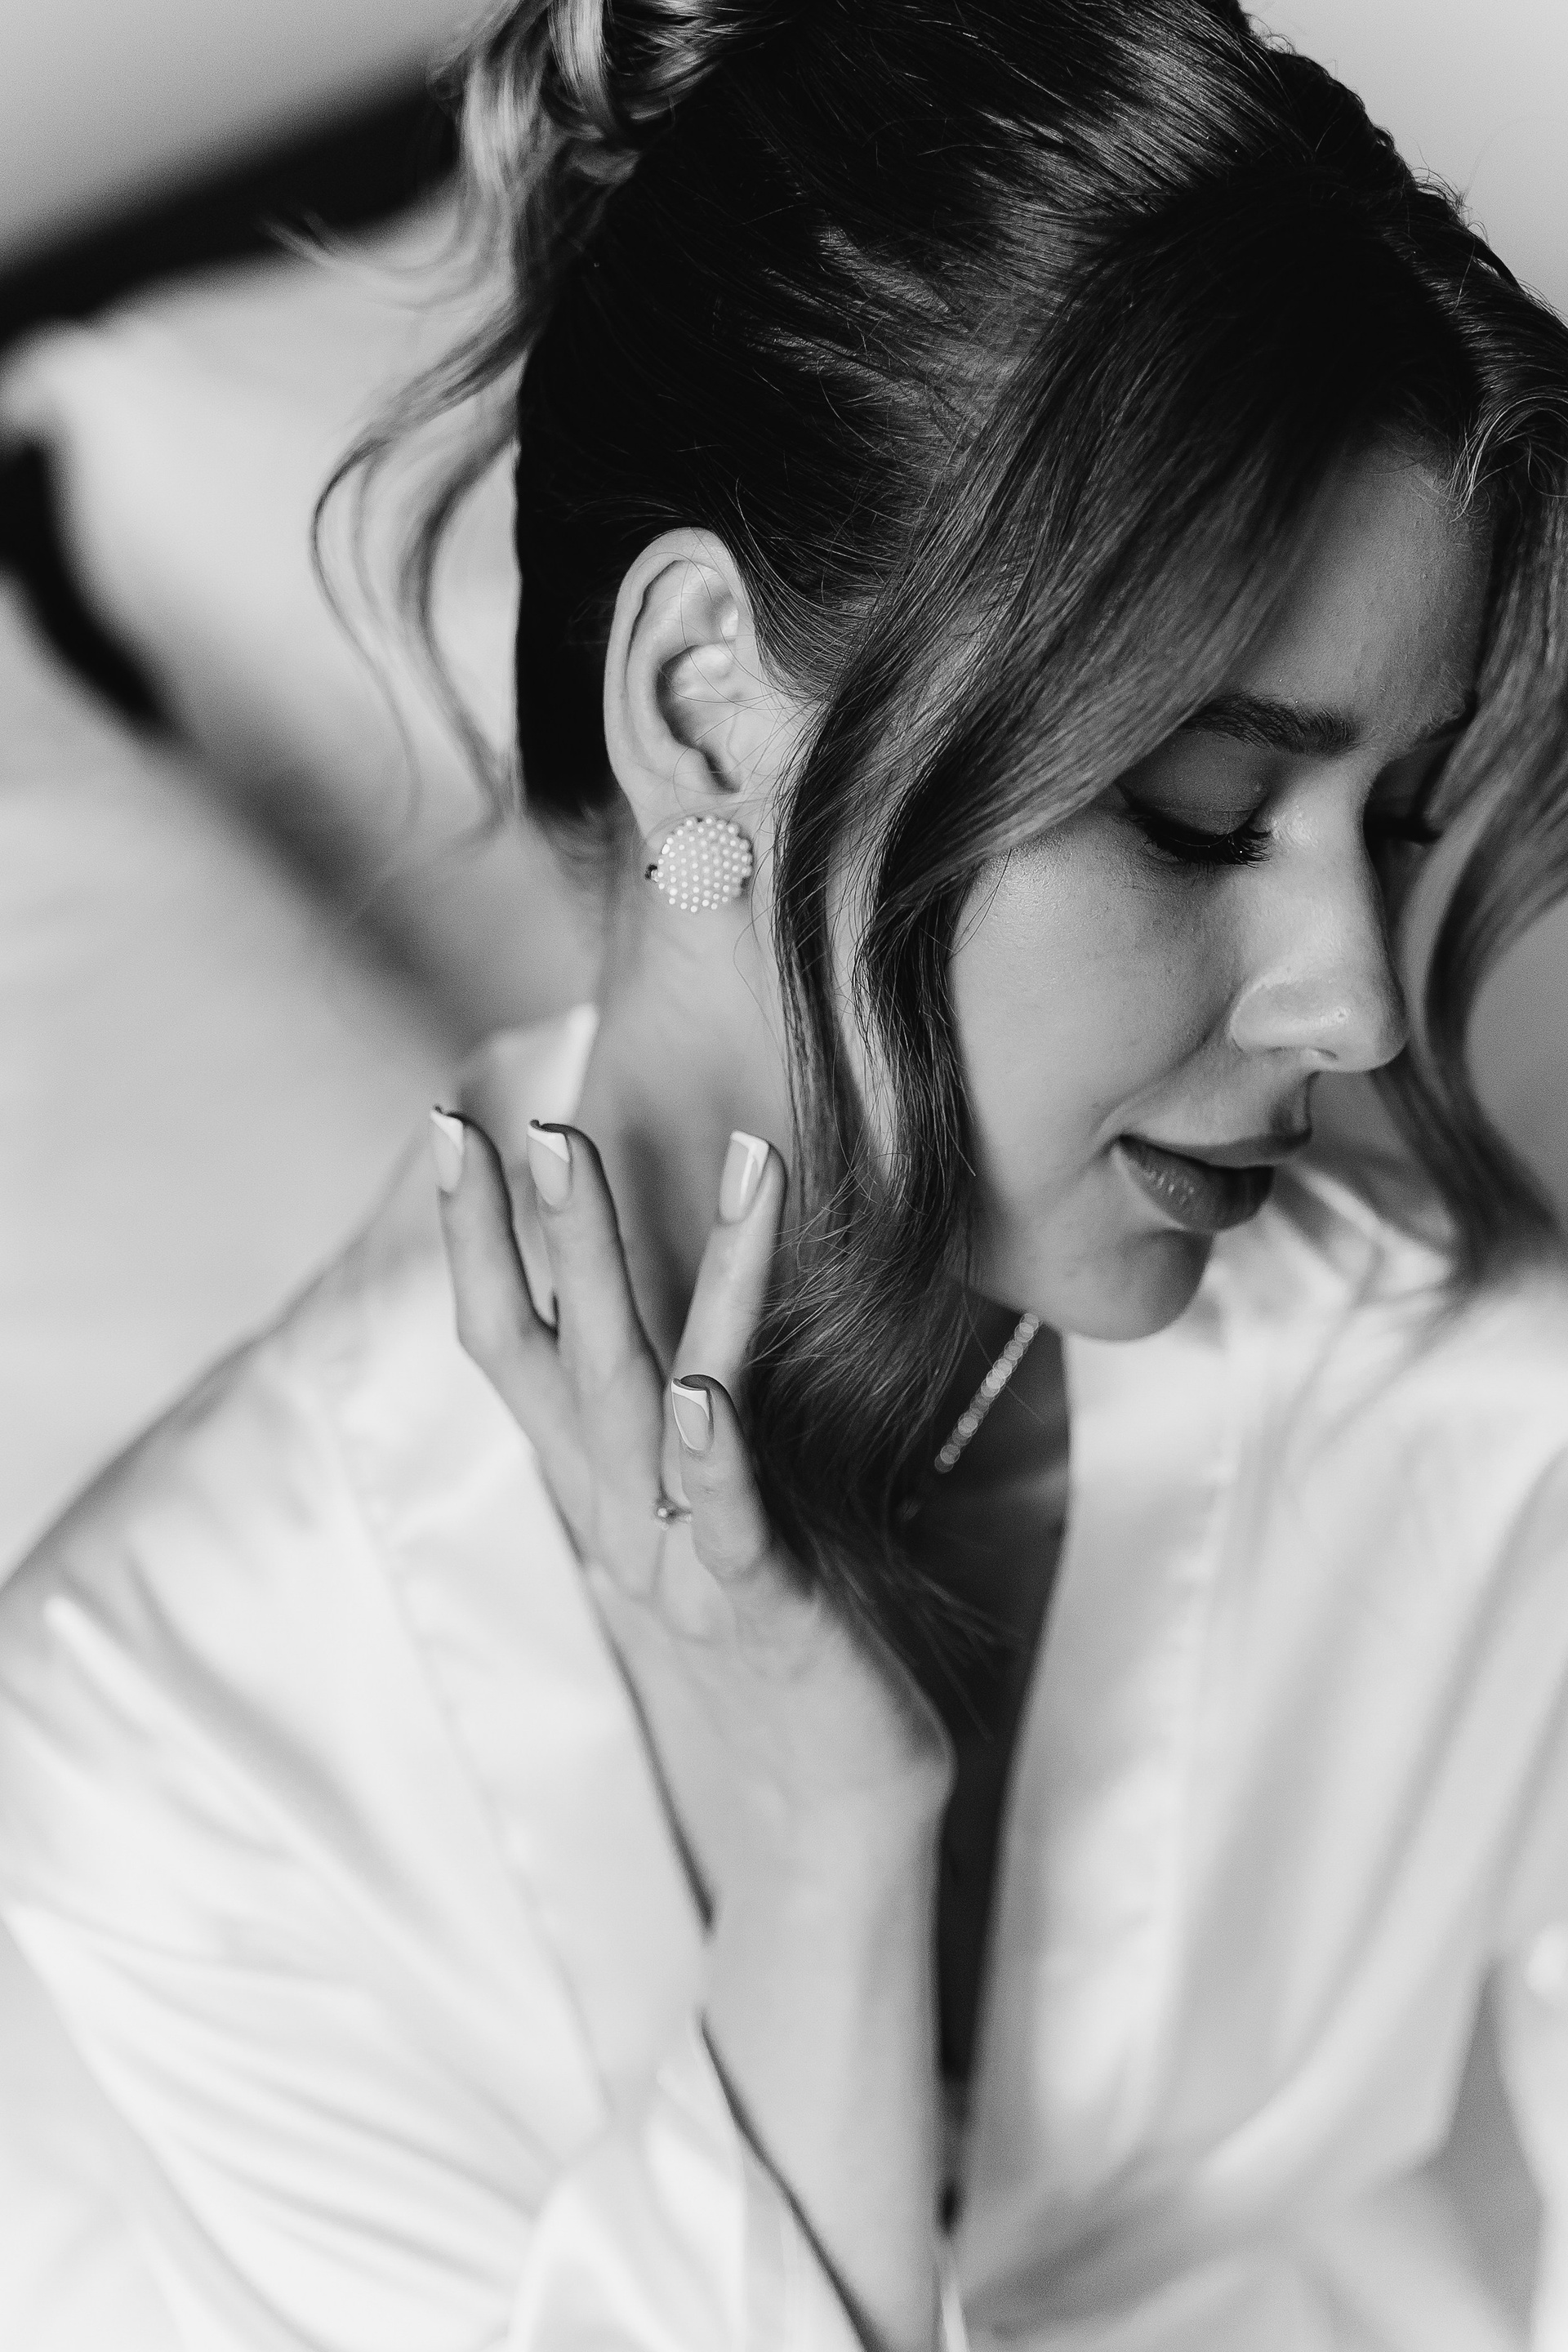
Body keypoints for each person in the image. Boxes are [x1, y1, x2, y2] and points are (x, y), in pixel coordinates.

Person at [4, 1, 1568, 2345]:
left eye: (1402, 820)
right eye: (1205, 814)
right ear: (698, 704)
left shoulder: (1478, 1410)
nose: (1353, 1006)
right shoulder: (180, 1729)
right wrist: (828, 1871)